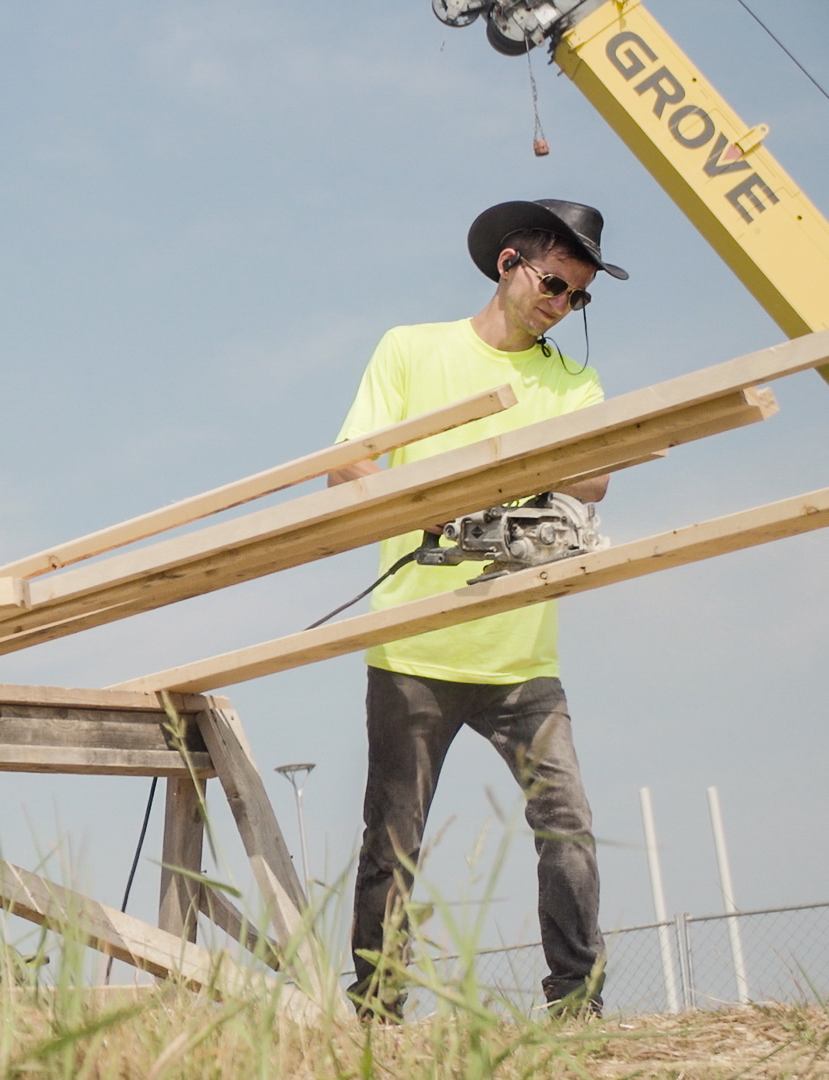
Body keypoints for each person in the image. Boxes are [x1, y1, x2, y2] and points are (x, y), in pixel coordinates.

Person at [326, 199, 626, 1021]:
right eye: (557, 284)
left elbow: (596, 478)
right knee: (392, 842)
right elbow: (348, 468)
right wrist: (421, 505)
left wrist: (519, 476)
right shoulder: (412, 350)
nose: (563, 305)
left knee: (567, 827)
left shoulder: (572, 381)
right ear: (507, 263)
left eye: (579, 297)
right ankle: (378, 1011)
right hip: (413, 650)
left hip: (523, 658)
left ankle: (577, 1004)